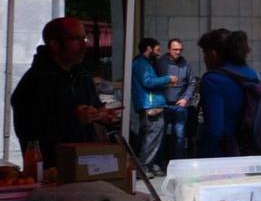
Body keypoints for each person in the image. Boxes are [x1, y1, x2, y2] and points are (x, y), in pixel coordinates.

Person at [11, 17, 119, 170]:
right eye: (75, 39)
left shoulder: (83, 77)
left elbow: (94, 108)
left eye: (85, 38)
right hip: (53, 170)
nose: (84, 45)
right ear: (55, 44)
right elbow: (29, 131)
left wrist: (103, 116)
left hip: (88, 164)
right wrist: (73, 117)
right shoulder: (36, 81)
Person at [196, 29, 260, 158]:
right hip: (253, 153)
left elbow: (215, 130)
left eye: (204, 53)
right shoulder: (254, 75)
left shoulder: (212, 80)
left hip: (224, 156)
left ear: (213, 53)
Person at [131, 37, 175, 176]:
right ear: (148, 48)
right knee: (151, 138)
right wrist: (168, 78)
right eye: (157, 49)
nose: (159, 52)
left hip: (150, 104)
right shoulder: (141, 64)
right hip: (151, 105)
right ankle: (143, 167)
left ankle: (147, 165)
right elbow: (148, 82)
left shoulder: (144, 63)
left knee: (149, 137)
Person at [156, 37, 196, 166]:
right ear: (169, 49)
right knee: (160, 136)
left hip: (179, 105)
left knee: (179, 136)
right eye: (175, 49)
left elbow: (192, 83)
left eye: (180, 50)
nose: (178, 52)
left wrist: (185, 98)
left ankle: (178, 164)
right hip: (163, 104)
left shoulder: (185, 64)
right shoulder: (160, 63)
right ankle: (160, 163)